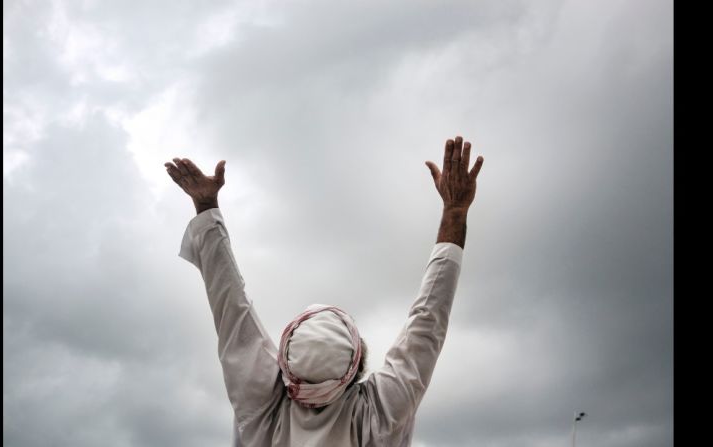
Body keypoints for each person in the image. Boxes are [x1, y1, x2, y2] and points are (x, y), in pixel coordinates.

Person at [164, 135, 484, 446]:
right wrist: (454, 212)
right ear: (356, 365)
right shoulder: (378, 414)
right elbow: (427, 324)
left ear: (284, 363)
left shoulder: (261, 405)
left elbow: (231, 308)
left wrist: (206, 208)